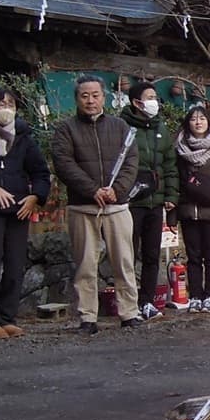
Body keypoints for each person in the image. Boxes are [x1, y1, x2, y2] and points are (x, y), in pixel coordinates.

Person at [51, 74, 143, 334]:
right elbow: (64, 164)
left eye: (95, 95)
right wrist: (92, 190)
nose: (90, 100)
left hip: (117, 205)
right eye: (85, 96)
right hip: (83, 206)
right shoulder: (65, 129)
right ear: (77, 99)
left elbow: (131, 161)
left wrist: (117, 189)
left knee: (124, 261)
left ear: (104, 97)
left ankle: (129, 313)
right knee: (85, 264)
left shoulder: (120, 126)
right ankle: (87, 317)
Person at [0, 87, 51, 340]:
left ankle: (7, 316)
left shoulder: (24, 137)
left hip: (19, 209)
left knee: (15, 264)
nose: (5, 108)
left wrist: (36, 197)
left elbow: (41, 172)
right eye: (0, 103)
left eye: (10, 103)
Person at [121, 81, 179, 320]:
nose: (155, 102)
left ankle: (146, 301)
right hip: (130, 201)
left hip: (156, 200)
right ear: (136, 102)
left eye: (156, 97)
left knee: (152, 254)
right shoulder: (122, 126)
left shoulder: (161, 128)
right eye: (150, 97)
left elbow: (169, 164)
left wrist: (171, 195)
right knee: (128, 254)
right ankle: (127, 304)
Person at [174, 106, 210, 314]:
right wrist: (174, 215)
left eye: (202, 118)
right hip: (189, 211)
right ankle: (195, 297)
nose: (198, 122)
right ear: (187, 123)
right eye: (193, 119)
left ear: (209, 122)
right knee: (193, 256)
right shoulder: (180, 148)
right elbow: (176, 182)